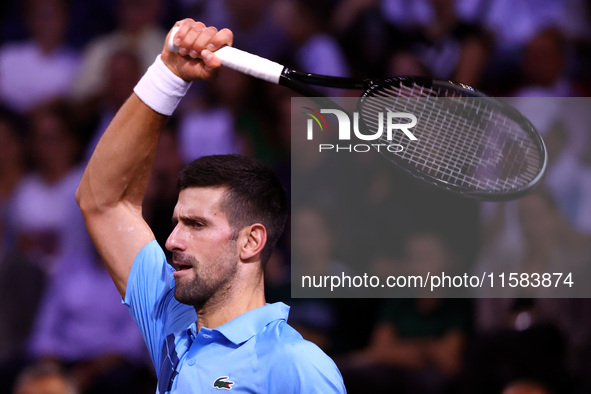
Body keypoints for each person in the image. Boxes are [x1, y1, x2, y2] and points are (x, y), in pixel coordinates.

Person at [76, 18, 346, 393]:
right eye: (176, 222)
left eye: (197, 225)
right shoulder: (170, 321)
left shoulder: (296, 365)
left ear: (251, 242)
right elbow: (102, 201)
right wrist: (168, 75)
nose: (171, 241)